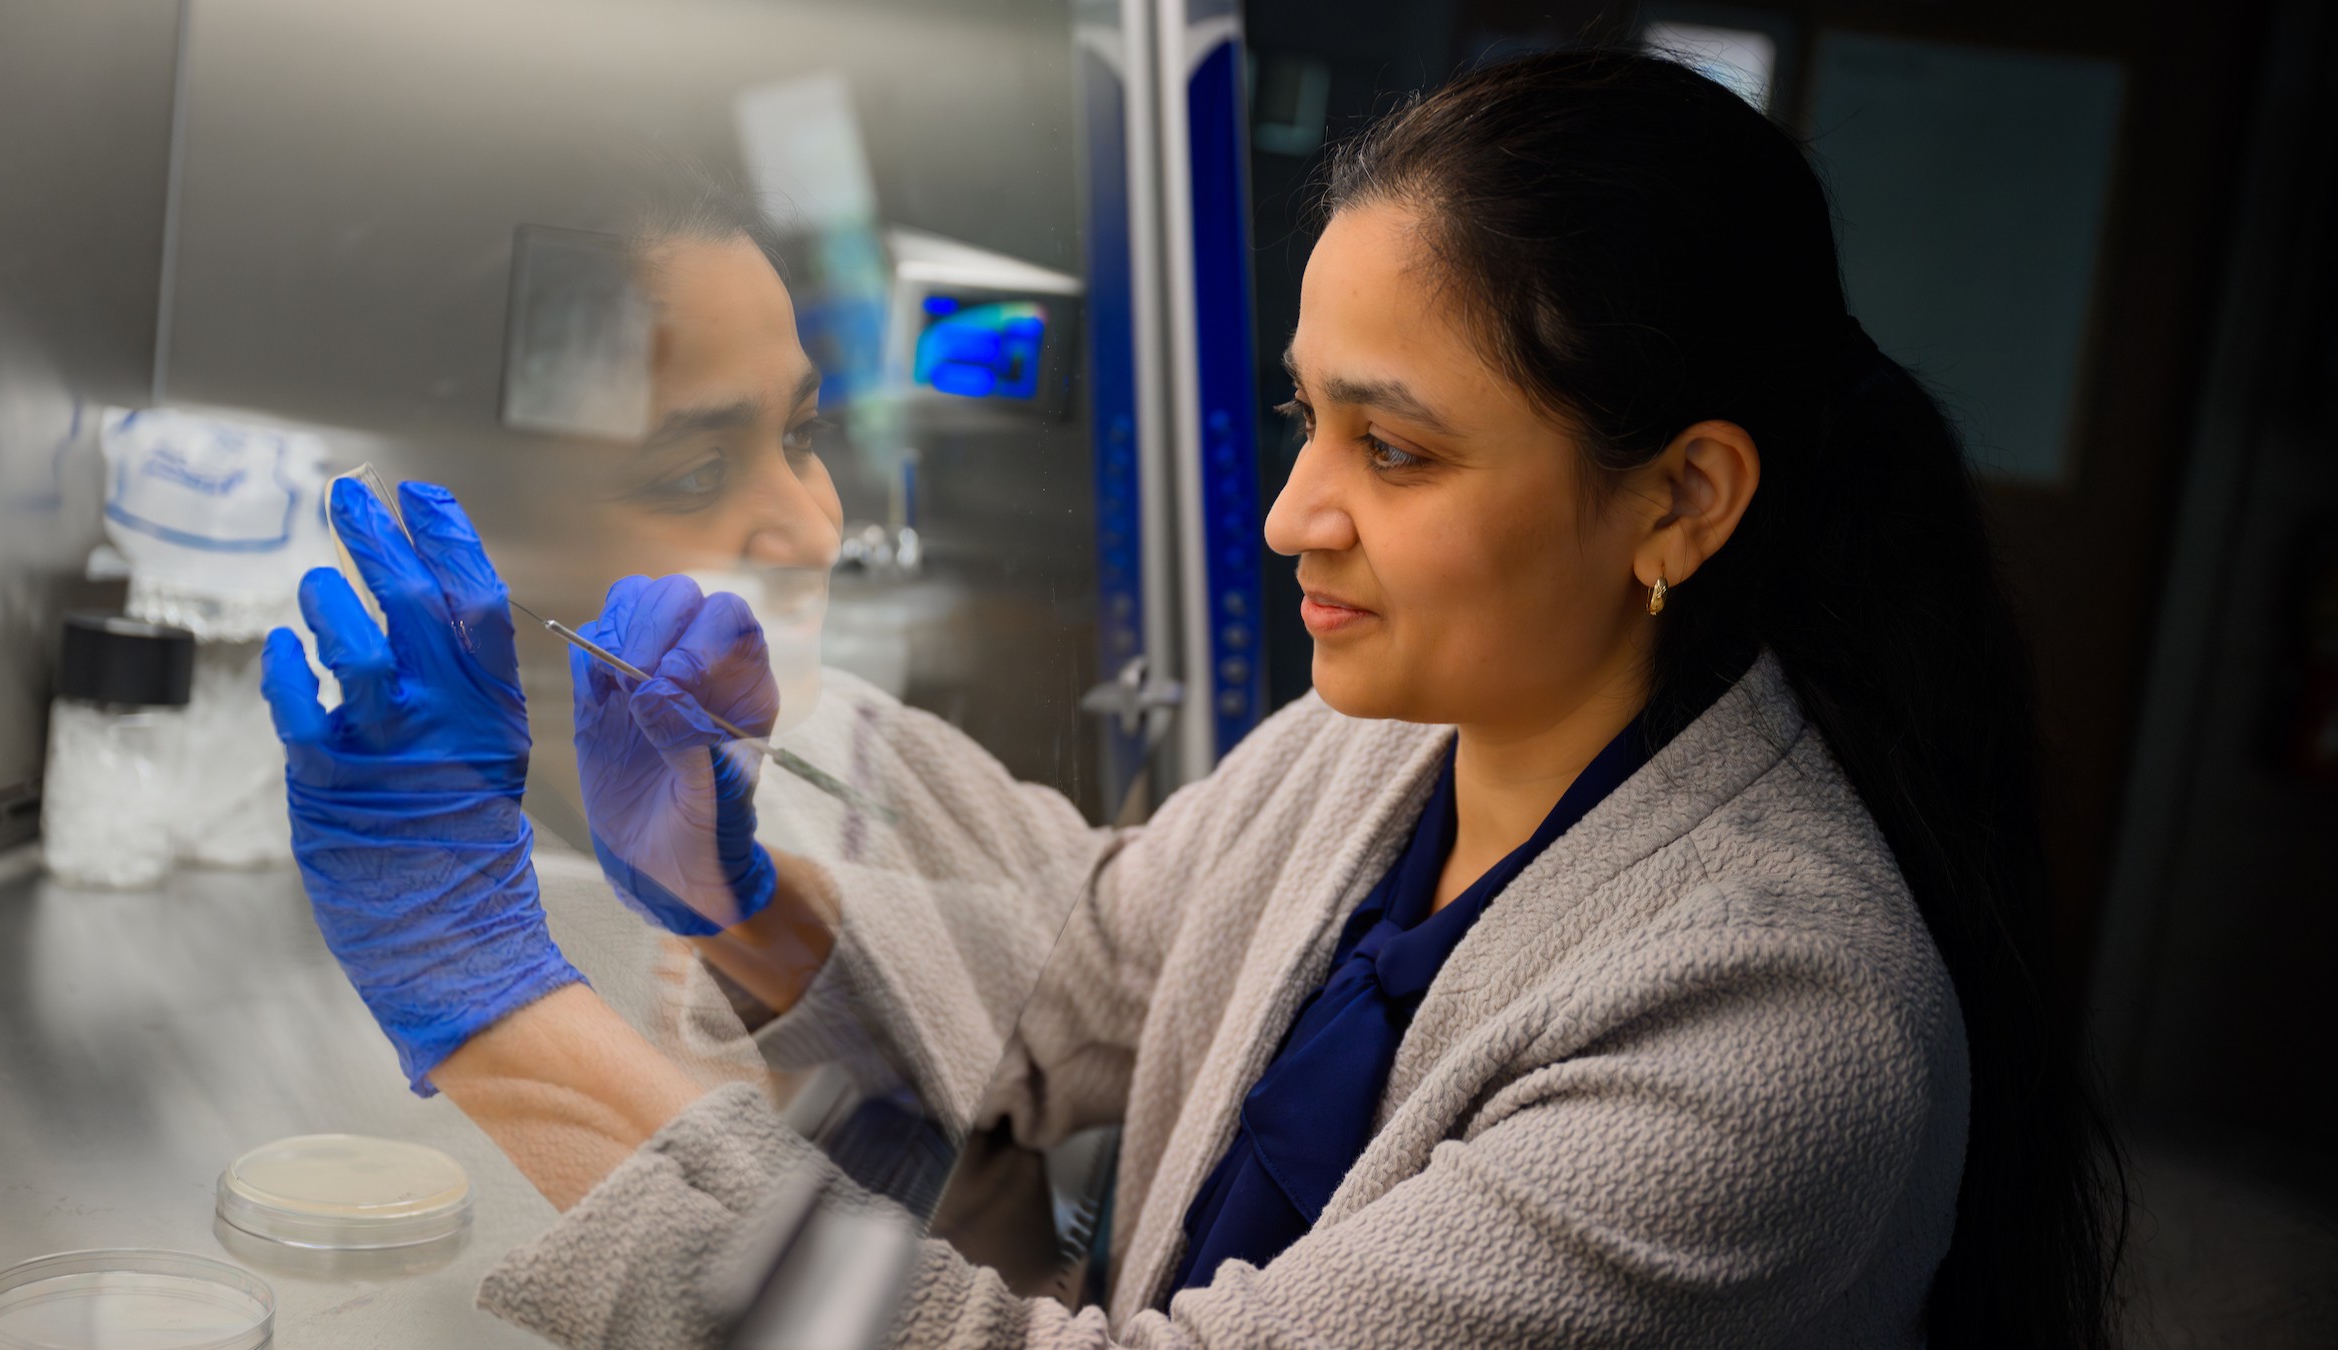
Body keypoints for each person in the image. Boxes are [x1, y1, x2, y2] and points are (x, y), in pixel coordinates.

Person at [262, 47, 2123, 1350]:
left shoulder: (1777, 1038)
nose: (1287, 512)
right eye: (1312, 411)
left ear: (1680, 499)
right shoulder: (1385, 746)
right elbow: (1081, 967)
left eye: (1394, 449)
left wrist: (495, 994)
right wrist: (733, 884)